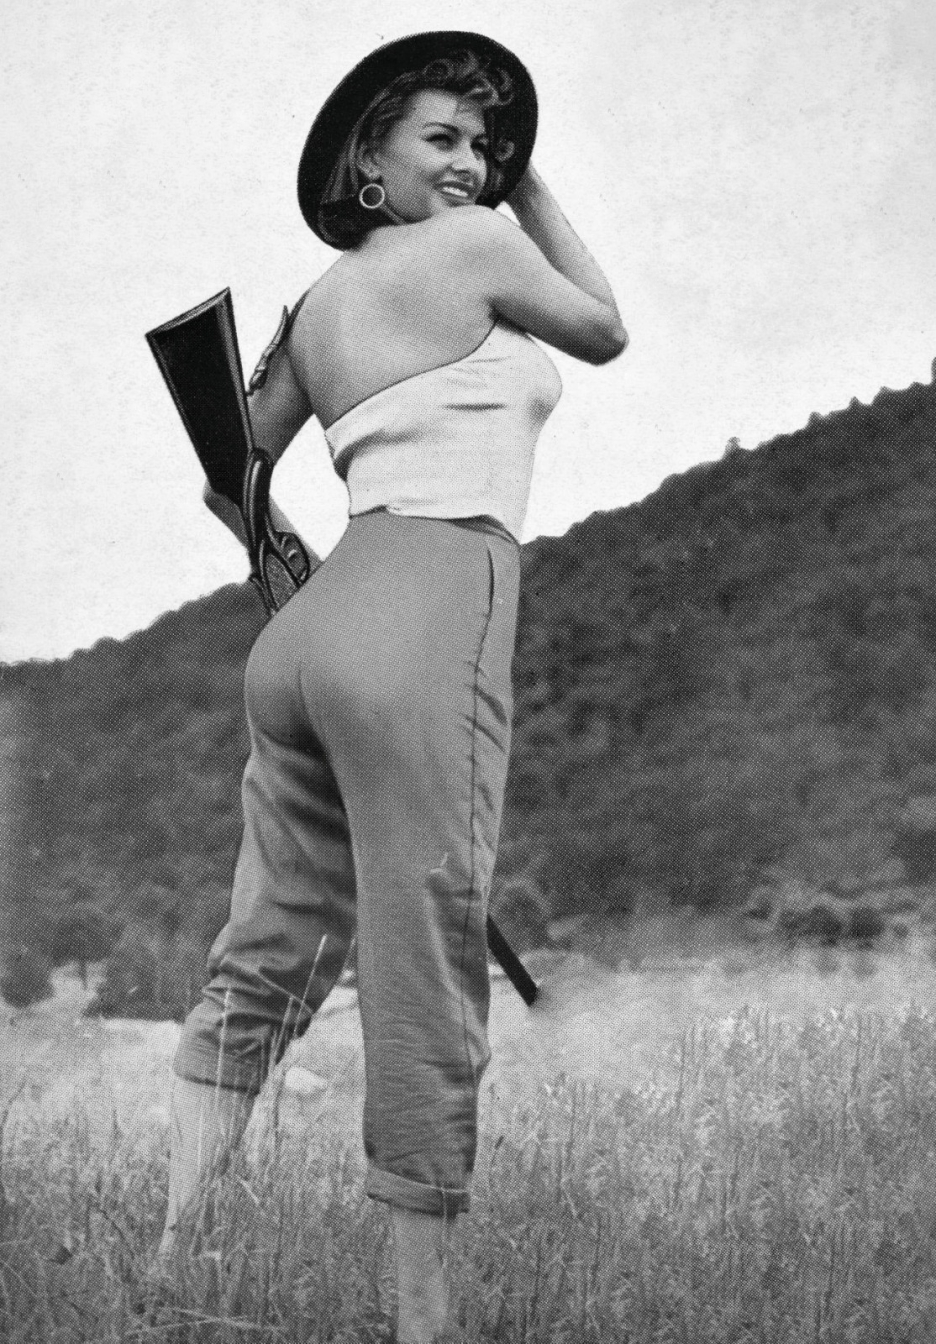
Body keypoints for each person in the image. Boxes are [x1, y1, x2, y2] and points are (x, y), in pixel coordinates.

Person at [156, 30, 626, 1344]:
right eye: (445, 140)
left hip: (309, 632)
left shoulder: (314, 309)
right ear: (370, 157)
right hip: (432, 603)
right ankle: (424, 1323)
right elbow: (603, 327)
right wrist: (531, 185)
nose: (474, 164)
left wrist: (293, 571)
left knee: (266, 954)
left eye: (489, 146)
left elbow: (231, 479)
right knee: (425, 956)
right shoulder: (477, 245)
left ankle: (172, 1262)